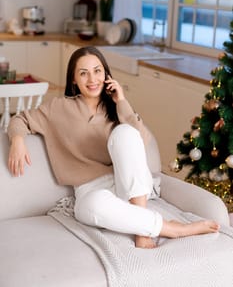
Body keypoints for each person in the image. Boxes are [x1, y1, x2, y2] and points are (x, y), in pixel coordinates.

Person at [7, 46, 220, 249]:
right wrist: (17, 140)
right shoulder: (58, 108)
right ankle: (171, 228)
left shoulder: (118, 108)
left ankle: (144, 231)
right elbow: (20, 119)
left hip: (127, 186)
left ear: (106, 75)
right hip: (90, 191)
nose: (92, 79)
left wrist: (122, 101)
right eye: (83, 73)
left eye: (97, 71)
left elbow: (141, 140)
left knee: (125, 132)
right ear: (74, 79)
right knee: (91, 207)